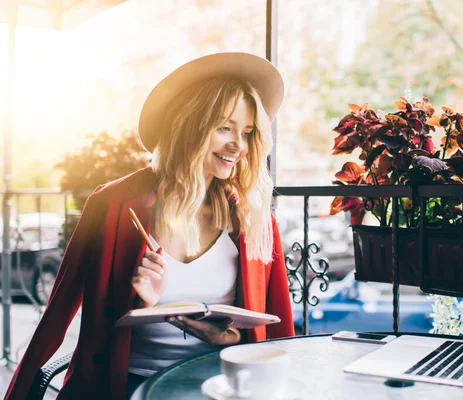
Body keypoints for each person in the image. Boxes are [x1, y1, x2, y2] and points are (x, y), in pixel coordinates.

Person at [5, 52, 294, 400]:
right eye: (224, 127)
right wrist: (141, 305)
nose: (239, 145)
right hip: (126, 387)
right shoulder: (112, 205)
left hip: (224, 386)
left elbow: (279, 331)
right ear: (190, 125)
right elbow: (55, 317)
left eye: (247, 132)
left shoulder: (254, 214)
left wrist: (228, 338)